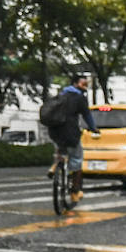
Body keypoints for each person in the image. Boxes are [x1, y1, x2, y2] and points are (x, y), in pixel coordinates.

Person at [44, 73, 101, 204]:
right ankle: (75, 192)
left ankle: (55, 166)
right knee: (76, 160)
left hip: (54, 131)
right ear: (75, 83)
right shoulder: (79, 98)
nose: (85, 86)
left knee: (60, 148)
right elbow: (87, 115)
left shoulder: (60, 95)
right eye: (83, 84)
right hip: (70, 132)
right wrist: (93, 128)